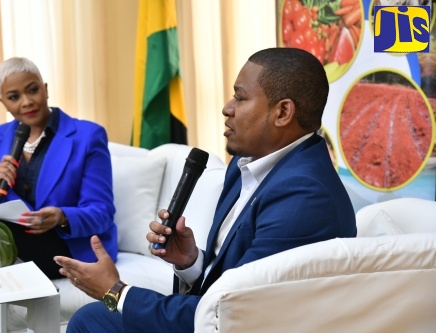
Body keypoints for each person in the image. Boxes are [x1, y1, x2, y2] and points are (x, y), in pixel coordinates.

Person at [54, 47, 357, 333]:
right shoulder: (247, 163)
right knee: (93, 319)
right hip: (230, 315)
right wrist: (191, 262)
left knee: (92, 321)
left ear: (282, 113)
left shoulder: (305, 195)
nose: (227, 108)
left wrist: (115, 292)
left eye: (240, 98)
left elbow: (233, 313)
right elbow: (234, 280)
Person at [0, 57, 117, 333]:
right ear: (3, 102)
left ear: (45, 89)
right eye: (14, 96)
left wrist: (61, 216)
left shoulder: (87, 135)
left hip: (63, 246)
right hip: (11, 246)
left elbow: (103, 211)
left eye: (32, 90)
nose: (26, 102)